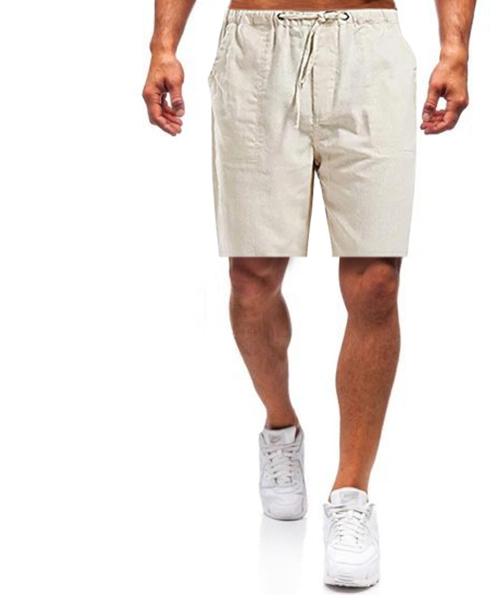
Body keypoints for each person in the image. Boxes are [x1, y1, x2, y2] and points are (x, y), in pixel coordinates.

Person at [143, 0, 475, 588]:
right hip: (257, 45)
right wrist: (163, 45)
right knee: (252, 278)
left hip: (367, 43)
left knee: (377, 281)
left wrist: (455, 48)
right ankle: (281, 427)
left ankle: (351, 493)